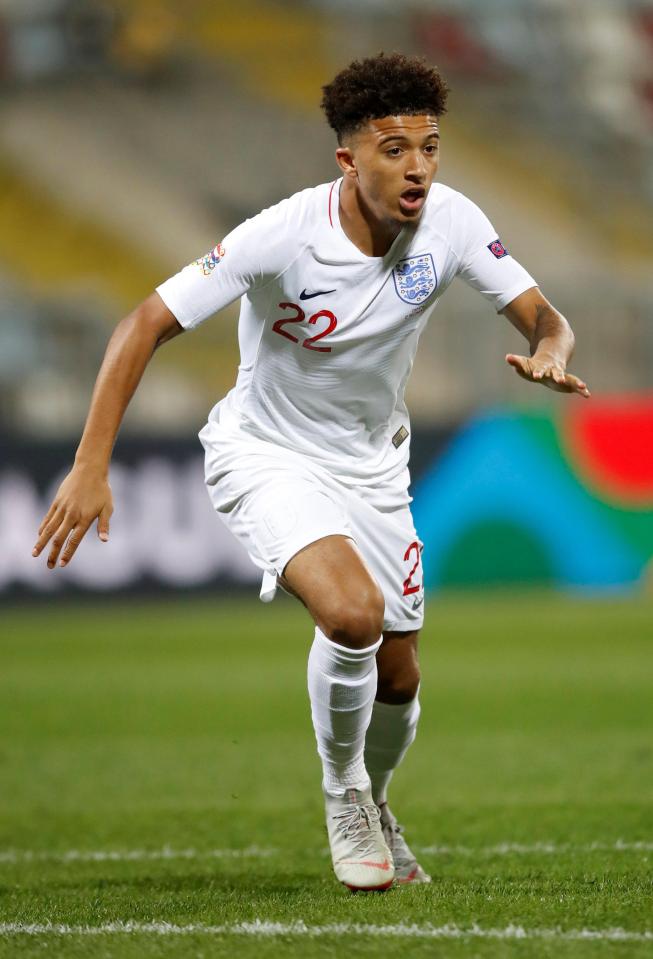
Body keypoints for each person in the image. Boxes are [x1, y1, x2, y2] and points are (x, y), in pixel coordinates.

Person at [32, 53, 590, 892]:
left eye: (430, 148)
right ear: (348, 159)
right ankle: (342, 795)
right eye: (394, 149)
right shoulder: (283, 234)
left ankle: (378, 800)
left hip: (372, 467)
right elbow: (144, 321)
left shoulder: (454, 222)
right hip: (265, 452)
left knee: (399, 671)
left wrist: (550, 350)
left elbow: (544, 315)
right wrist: (90, 462)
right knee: (351, 612)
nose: (418, 169)